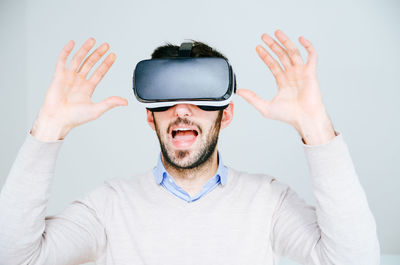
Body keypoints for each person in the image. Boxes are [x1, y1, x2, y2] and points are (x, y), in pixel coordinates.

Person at [0, 30, 380, 265]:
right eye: (166, 98)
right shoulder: (109, 205)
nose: (181, 109)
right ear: (151, 118)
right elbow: (14, 258)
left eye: (199, 95)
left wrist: (315, 125)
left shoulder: (267, 200)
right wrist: (48, 128)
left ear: (225, 115)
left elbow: (355, 260)